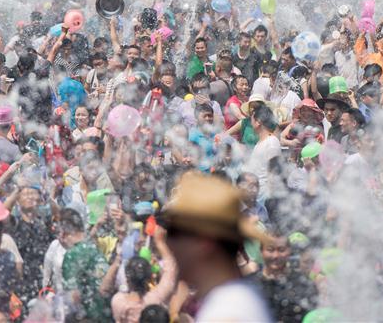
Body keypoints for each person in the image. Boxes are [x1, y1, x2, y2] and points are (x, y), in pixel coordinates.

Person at [160, 171, 272, 323]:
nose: (168, 242)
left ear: (204, 241)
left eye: (175, 233)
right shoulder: (229, 300)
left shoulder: (226, 313)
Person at [110, 227, 178, 323]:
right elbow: (171, 270)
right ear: (150, 277)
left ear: (126, 277)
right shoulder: (154, 300)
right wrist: (160, 242)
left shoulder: (117, 301)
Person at [243, 104, 281, 199]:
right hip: (255, 195)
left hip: (264, 197)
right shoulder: (260, 142)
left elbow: (274, 174)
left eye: (252, 119)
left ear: (258, 122)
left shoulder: (272, 143)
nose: (250, 123)